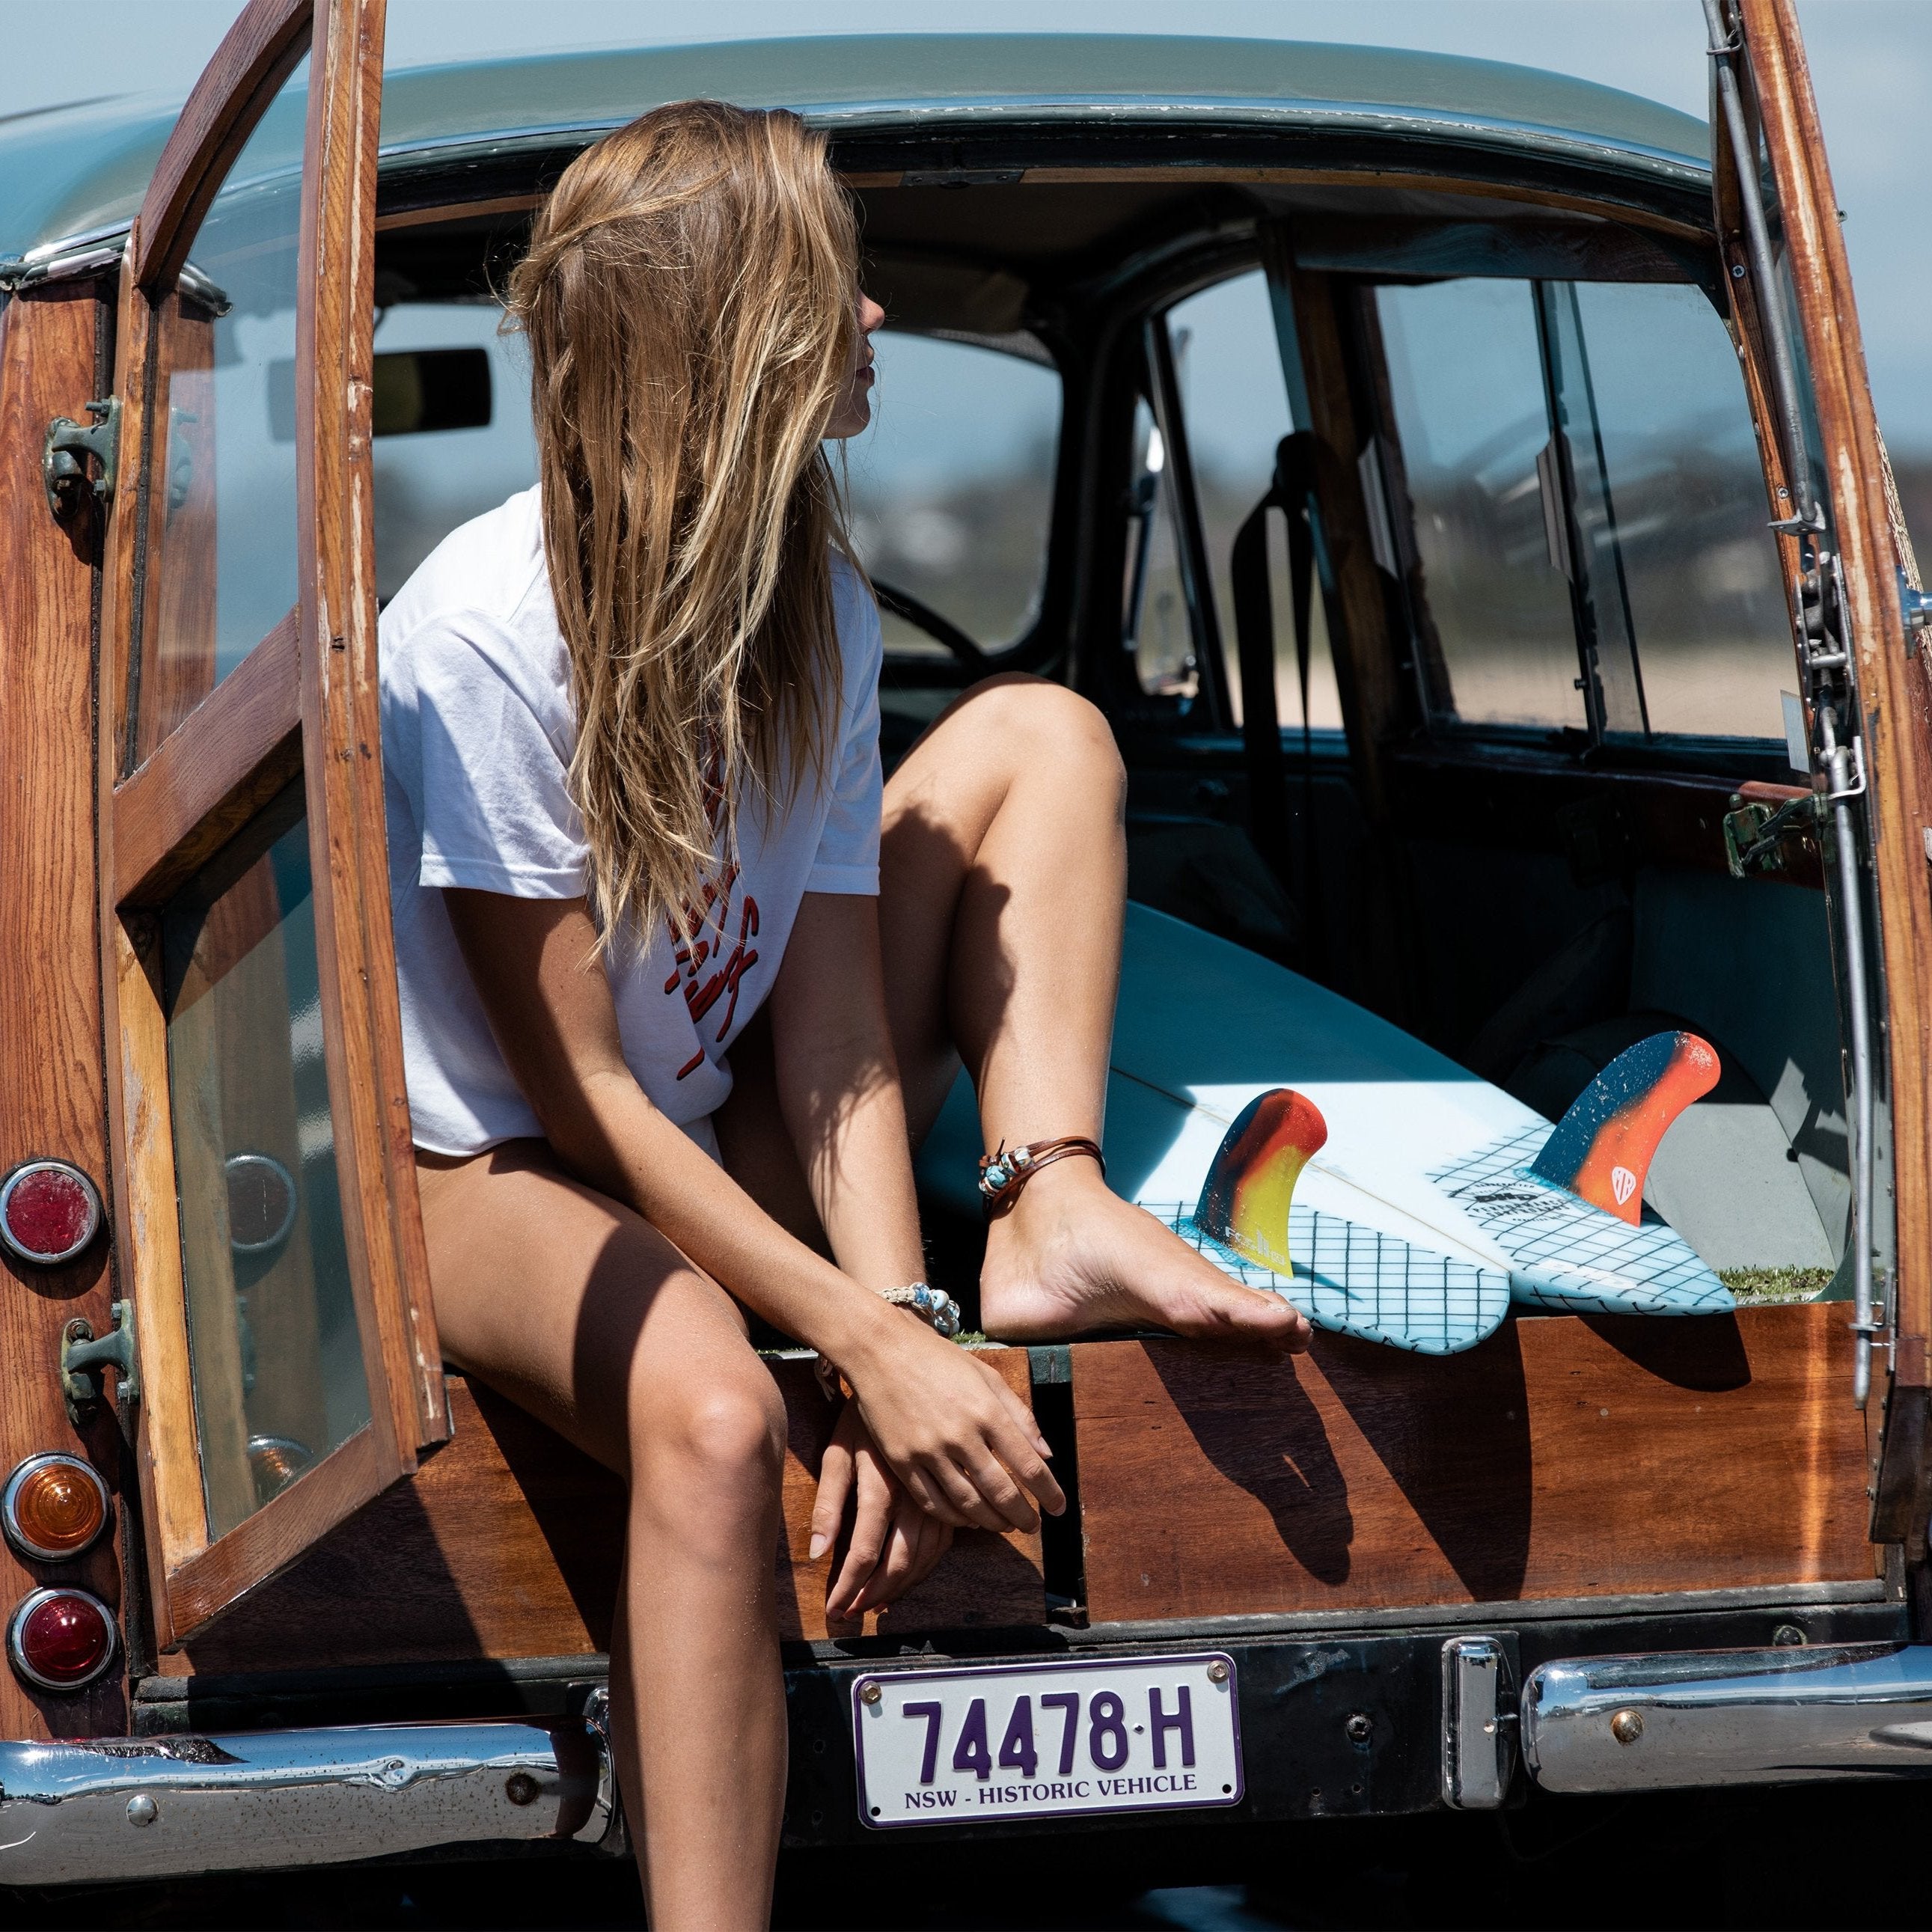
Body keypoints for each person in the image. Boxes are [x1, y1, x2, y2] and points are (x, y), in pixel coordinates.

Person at [381, 99, 1309, 1931]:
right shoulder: (479, 635)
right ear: (732, 330)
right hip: (486, 1164)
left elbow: (832, 1042)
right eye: (839, 283)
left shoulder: (807, 587)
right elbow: (581, 1105)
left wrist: (906, 1323)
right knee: (720, 1416)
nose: (875, 319)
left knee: (1047, 730)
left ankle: (1048, 1206)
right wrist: (846, 1351)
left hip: (710, 1110)